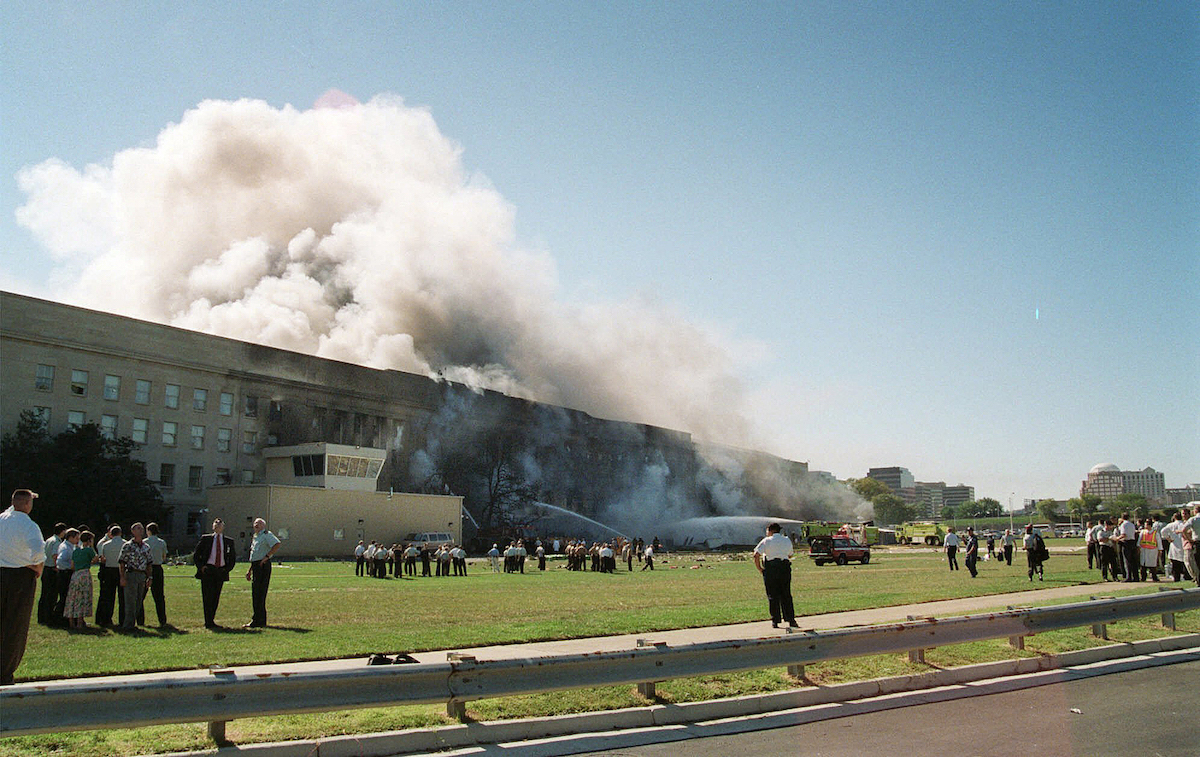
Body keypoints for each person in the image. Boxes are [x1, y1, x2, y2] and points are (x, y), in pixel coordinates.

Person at [1, 489, 46, 685]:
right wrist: (33, 564)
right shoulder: (29, 526)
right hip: (20, 576)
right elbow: (38, 552)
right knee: (15, 625)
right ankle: (5, 672)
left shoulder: (2, 518)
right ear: (28, 505)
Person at [753, 523, 798, 629]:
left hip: (771, 569)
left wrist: (760, 569)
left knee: (773, 595)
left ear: (770, 531)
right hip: (784, 568)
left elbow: (756, 555)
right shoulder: (786, 540)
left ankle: (775, 621)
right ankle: (791, 620)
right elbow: (790, 554)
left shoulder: (766, 541)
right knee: (786, 594)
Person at [193, 518, 236, 629]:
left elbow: (232, 558)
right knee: (207, 596)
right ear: (213, 527)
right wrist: (201, 567)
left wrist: (226, 569)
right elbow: (197, 555)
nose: (217, 526)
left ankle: (211, 619)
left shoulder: (228, 541)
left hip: (220, 570)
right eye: (216, 525)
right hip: (208, 570)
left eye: (220, 525)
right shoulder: (206, 539)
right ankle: (208, 621)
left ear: (223, 527)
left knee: (216, 596)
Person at [242, 517, 281, 629]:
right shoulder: (256, 537)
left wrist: (267, 557)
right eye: (255, 524)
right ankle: (258, 619)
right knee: (256, 593)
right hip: (256, 565)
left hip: (263, 565)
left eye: (258, 524)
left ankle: (258, 620)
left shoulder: (266, 535)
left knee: (260, 593)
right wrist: (250, 570)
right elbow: (254, 555)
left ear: (263, 525)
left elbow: (277, 544)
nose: (256, 525)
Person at [118, 523, 152, 632]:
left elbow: (149, 563)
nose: (140, 530)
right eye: (138, 528)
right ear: (132, 531)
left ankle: (133, 623)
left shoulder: (146, 547)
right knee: (130, 601)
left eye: (142, 528)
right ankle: (128, 625)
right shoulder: (127, 546)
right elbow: (122, 562)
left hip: (141, 574)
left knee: (138, 600)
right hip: (131, 574)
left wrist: (149, 577)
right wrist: (122, 577)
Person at [64, 531, 98, 629]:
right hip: (85, 574)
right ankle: (79, 622)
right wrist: (91, 547)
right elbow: (95, 559)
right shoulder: (88, 550)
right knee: (82, 598)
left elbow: (72, 565)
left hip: (75, 575)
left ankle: (71, 622)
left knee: (73, 597)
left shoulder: (76, 551)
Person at [94, 525, 125, 627]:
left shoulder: (105, 545)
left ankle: (106, 618)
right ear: (120, 533)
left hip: (108, 570)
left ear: (111, 534)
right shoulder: (125, 544)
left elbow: (103, 559)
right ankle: (122, 619)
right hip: (121, 570)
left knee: (108, 597)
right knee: (122, 597)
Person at [36, 522, 66, 625]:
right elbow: (55, 555)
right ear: (62, 531)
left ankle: (41, 617)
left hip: (46, 568)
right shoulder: (57, 542)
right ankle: (49, 617)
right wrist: (57, 567)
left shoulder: (48, 540)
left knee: (44, 594)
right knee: (52, 595)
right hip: (52, 570)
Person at [52, 528, 79, 626]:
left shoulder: (70, 546)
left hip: (66, 573)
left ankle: (64, 619)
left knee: (67, 597)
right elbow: (60, 562)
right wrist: (71, 567)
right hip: (65, 574)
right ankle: (59, 619)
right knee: (64, 597)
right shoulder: (65, 547)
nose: (78, 540)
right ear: (70, 537)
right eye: (76, 538)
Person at [144, 522, 168, 626]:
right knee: (159, 596)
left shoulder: (144, 542)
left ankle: (140, 619)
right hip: (158, 568)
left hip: (146, 568)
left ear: (148, 531)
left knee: (141, 595)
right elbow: (164, 557)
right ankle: (162, 620)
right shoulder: (162, 542)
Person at [1162, 512, 1191, 582]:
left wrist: (1168, 538)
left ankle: (1176, 578)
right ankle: (1187, 577)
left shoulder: (1171, 525)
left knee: (1175, 565)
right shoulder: (1184, 524)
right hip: (1183, 544)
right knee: (1185, 563)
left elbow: (1163, 531)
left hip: (1174, 545)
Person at [1116, 513, 1139, 583]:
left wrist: (1117, 538)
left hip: (1127, 543)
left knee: (1127, 560)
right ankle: (1136, 576)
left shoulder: (1123, 525)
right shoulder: (1132, 524)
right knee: (1133, 560)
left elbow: (1124, 534)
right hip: (1133, 542)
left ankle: (1128, 576)